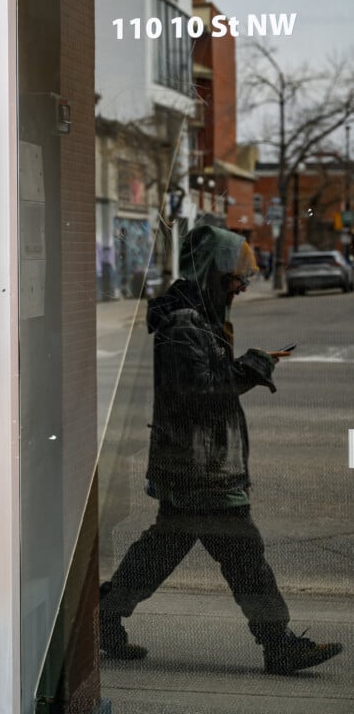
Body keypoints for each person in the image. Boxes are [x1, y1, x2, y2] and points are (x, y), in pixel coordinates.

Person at [99, 225, 343, 675]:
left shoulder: (200, 318)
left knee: (161, 551)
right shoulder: (185, 324)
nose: (243, 285)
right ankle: (278, 644)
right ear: (213, 272)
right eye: (236, 275)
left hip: (193, 463)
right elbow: (201, 395)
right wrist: (253, 365)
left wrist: (246, 362)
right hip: (198, 468)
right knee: (243, 553)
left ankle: (103, 618)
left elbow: (202, 381)